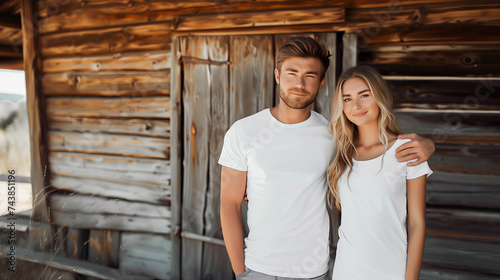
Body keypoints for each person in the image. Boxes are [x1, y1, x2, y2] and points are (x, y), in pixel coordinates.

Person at [219, 36, 434, 280]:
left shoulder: (333, 136)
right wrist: (241, 272)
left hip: (315, 271)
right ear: (277, 75)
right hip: (259, 269)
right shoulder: (244, 131)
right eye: (292, 73)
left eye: (310, 76)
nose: (299, 83)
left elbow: (374, 150)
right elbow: (229, 203)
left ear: (321, 83)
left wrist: (429, 144)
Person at [328, 66, 431, 280]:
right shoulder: (341, 154)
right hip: (346, 270)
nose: (355, 105)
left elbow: (417, 223)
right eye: (347, 99)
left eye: (364, 95)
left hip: (390, 269)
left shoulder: (406, 149)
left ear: (379, 97)